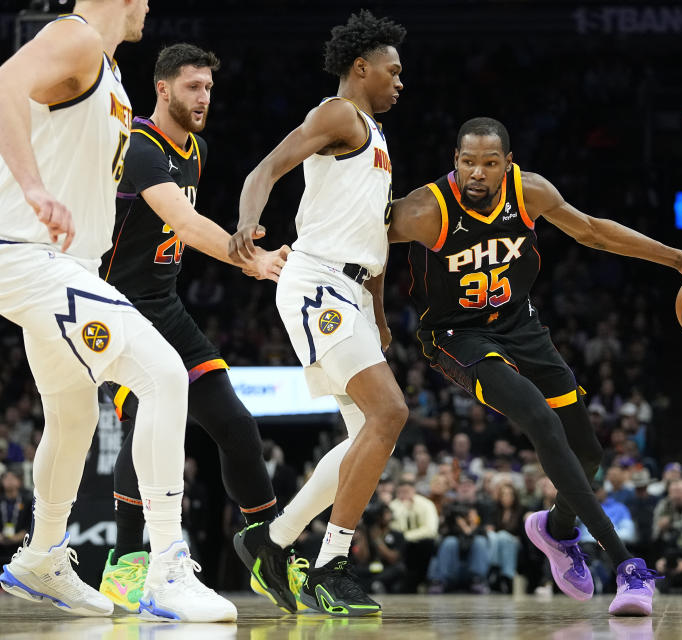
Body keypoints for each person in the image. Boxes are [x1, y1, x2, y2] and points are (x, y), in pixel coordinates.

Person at [388, 116, 682, 615]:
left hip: (519, 325)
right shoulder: (425, 210)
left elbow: (594, 232)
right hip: (456, 335)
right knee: (540, 419)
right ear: (455, 161)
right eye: (468, 162)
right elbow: (362, 239)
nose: (478, 174)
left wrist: (677, 259)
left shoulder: (530, 192)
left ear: (508, 164)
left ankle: (555, 532)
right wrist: (371, 317)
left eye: (490, 163)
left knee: (588, 453)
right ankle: (627, 567)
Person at [0, 1, 234, 621]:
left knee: (74, 415)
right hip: (29, 254)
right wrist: (31, 187)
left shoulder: (109, 74)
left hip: (62, 264)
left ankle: (42, 557)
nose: (152, 5)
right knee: (162, 375)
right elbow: (3, 84)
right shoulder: (73, 38)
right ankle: (165, 570)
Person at [92, 42, 289, 613]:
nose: (203, 97)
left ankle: (268, 549)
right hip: (113, 308)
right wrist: (246, 257)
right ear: (163, 88)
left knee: (236, 425)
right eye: (192, 87)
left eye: (207, 87)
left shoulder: (195, 150)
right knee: (151, 426)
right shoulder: (139, 145)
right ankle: (129, 563)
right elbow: (185, 221)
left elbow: (182, 234)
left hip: (164, 304)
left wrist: (236, 252)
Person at [229, 10, 408, 616]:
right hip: (317, 282)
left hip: (353, 289)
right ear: (361, 69)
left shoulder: (380, 139)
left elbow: (375, 239)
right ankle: (331, 564)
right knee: (391, 412)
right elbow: (266, 169)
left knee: (368, 437)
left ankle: (272, 541)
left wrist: (378, 312)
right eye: (393, 70)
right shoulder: (340, 115)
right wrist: (248, 223)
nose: (399, 82)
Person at [389, 479, 438, 592]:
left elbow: (431, 530)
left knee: (425, 545)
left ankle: (423, 581)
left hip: (422, 543)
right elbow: (394, 529)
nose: (404, 495)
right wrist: (404, 510)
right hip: (402, 544)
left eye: (407, 491)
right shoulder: (394, 506)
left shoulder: (426, 504)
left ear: (413, 491)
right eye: (401, 492)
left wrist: (407, 536)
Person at [0, 470, 31, 566]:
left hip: (21, 546)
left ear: (19, 481)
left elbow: (29, 525)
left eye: (12, 478)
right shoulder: (1, 500)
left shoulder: (27, 501)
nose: (9, 481)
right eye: (6, 478)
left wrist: (16, 538)